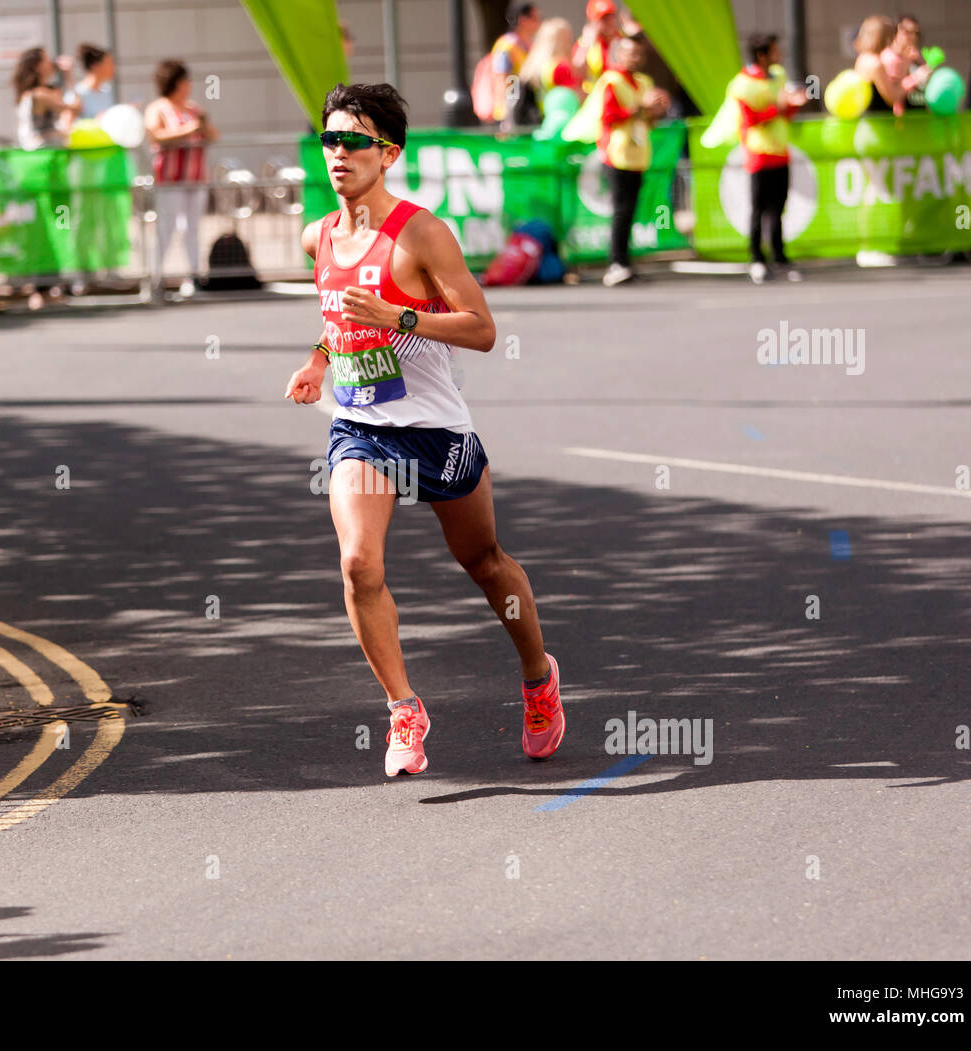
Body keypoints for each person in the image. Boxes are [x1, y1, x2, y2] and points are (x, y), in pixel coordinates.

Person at [284, 82, 563, 777]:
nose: (339, 153)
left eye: (355, 141)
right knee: (358, 564)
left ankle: (537, 675)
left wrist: (398, 317)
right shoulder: (317, 235)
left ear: (390, 153)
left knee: (484, 562)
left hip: (436, 432)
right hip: (362, 429)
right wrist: (320, 359)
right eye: (330, 140)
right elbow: (336, 316)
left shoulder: (421, 232)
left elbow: (483, 330)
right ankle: (403, 706)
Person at [729, 33, 808, 285]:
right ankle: (756, 259)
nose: (779, 55)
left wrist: (795, 104)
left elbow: (787, 113)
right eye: (774, 51)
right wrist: (779, 108)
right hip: (758, 154)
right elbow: (750, 119)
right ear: (761, 55)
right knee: (758, 210)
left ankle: (779, 257)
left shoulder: (779, 76)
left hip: (780, 152)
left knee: (778, 209)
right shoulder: (742, 84)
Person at [595, 38, 669, 286]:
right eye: (630, 53)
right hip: (617, 154)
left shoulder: (643, 83)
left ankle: (625, 262)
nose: (636, 58)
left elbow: (646, 121)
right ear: (619, 55)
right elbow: (609, 116)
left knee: (630, 212)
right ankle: (616, 263)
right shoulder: (611, 81)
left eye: (639, 54)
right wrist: (641, 107)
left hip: (638, 155)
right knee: (621, 211)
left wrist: (656, 111)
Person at [145, 59, 217, 299]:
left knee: (192, 229)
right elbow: (156, 134)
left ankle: (194, 276)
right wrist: (189, 130)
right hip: (170, 181)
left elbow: (213, 135)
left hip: (195, 179)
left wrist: (203, 126)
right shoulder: (158, 108)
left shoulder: (193, 108)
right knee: (166, 227)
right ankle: (156, 278)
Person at [13, 47, 79, 150]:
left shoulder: (32, 93)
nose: (52, 63)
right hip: (44, 154)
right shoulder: (40, 95)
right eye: (47, 59)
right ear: (38, 66)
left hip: (40, 153)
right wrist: (68, 75)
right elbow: (76, 108)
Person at [490, 2, 542, 125]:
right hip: (510, 110)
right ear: (522, 20)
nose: (539, 23)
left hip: (526, 107)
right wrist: (506, 111)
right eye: (536, 18)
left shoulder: (530, 44)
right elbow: (501, 78)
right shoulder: (506, 45)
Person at [573, 0, 640, 94]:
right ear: (592, 22)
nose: (608, 22)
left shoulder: (624, 39)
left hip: (621, 96)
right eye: (603, 18)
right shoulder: (584, 44)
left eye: (611, 17)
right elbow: (577, 71)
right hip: (595, 98)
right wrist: (587, 42)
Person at [519, 17, 580, 112]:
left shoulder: (532, 67)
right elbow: (574, 98)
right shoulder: (560, 67)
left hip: (538, 119)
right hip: (558, 118)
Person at [853, 15, 905, 113]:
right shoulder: (876, 64)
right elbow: (892, 98)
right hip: (879, 123)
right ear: (885, 38)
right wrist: (912, 79)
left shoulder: (862, 58)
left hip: (866, 118)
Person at [880, 14, 932, 112]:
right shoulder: (891, 59)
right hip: (899, 117)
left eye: (915, 33)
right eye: (907, 32)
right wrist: (916, 77)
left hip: (916, 113)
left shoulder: (912, 56)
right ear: (895, 32)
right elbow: (893, 92)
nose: (912, 37)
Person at [71, 43, 116, 120]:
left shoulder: (107, 91)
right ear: (95, 66)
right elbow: (66, 126)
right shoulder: (78, 93)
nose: (114, 67)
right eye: (109, 63)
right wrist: (94, 123)